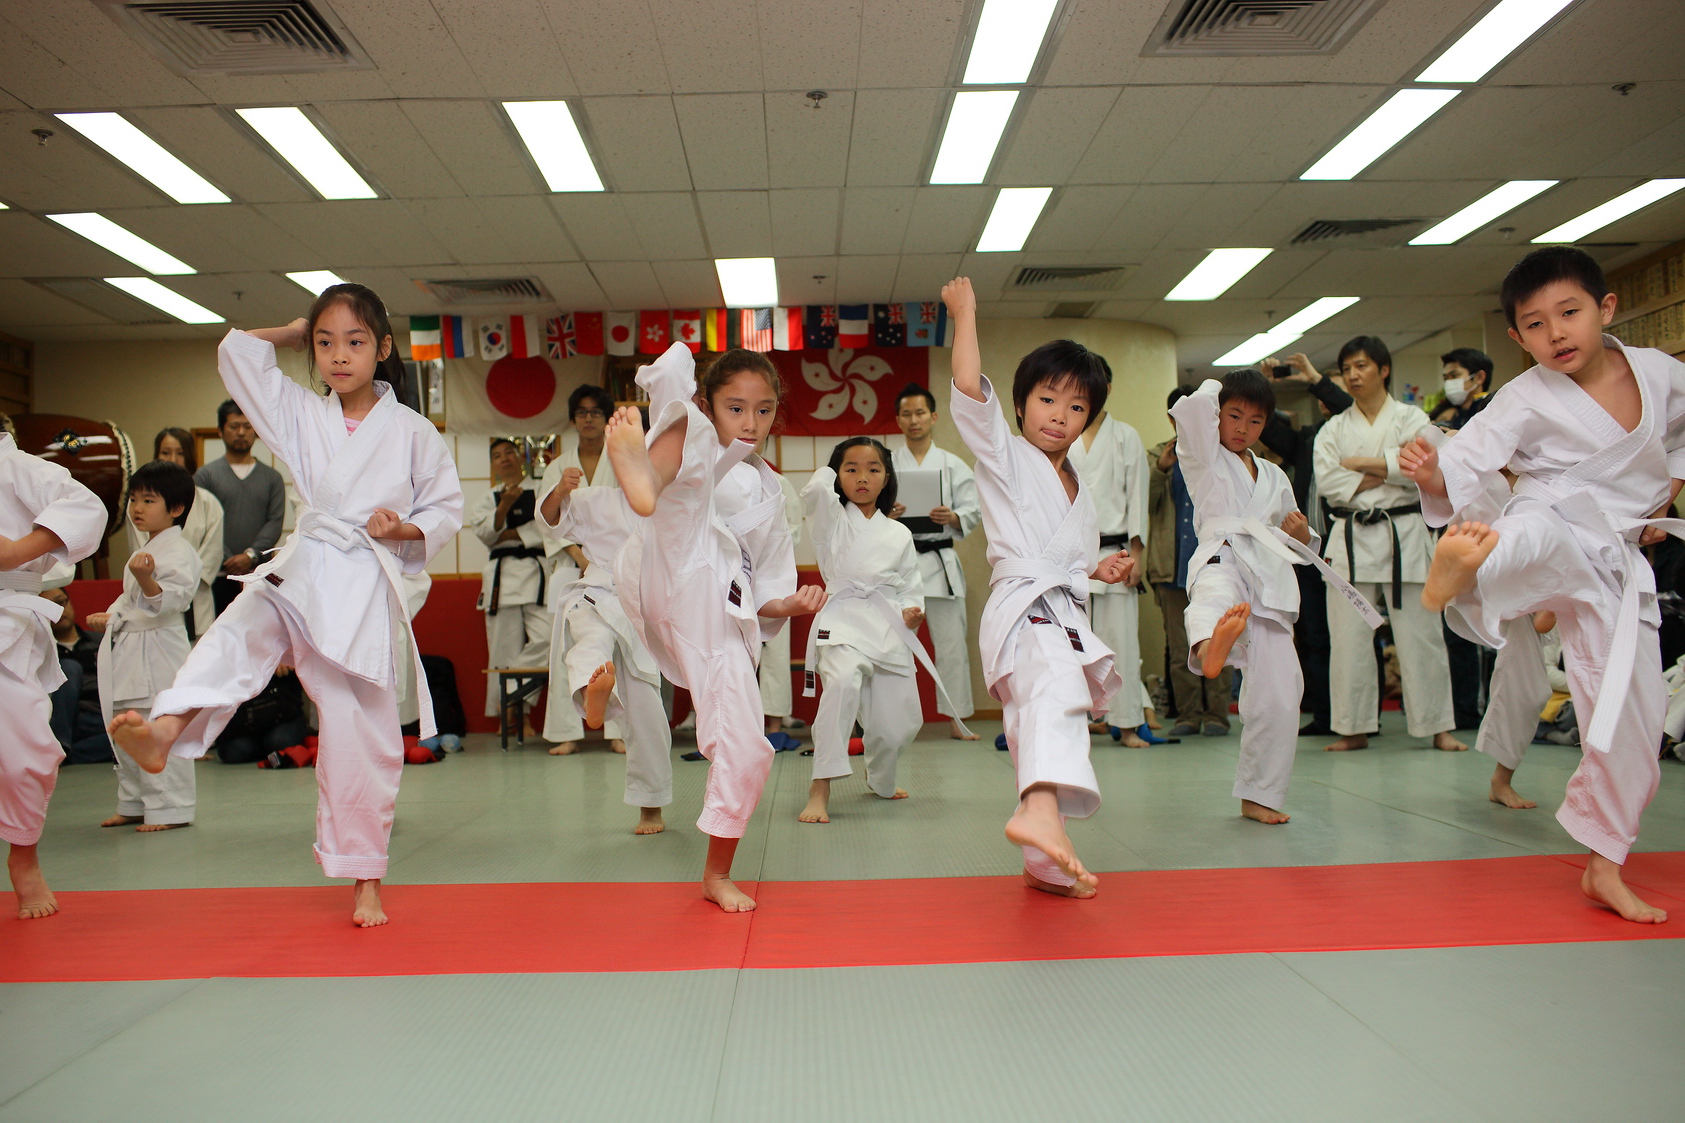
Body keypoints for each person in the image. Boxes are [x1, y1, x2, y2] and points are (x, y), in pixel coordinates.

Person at [109, 283, 464, 928]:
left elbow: (445, 509)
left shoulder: (413, 432)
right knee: (238, 629)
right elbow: (237, 354)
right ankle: (167, 728)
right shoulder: (300, 411)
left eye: (355, 342)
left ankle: (365, 877)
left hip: (361, 584)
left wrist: (402, 528)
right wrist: (289, 333)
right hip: (307, 563)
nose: (339, 355)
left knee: (361, 732)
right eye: (324, 343)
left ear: (383, 348)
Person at [1404, 245, 1682, 924]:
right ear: (1516, 337)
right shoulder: (1523, 396)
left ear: (1604, 308)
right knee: (1521, 537)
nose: (1555, 333)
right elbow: (1470, 456)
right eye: (1535, 324)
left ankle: (1603, 864)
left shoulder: (1660, 373)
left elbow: (1678, 440)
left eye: (1568, 312)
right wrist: (1433, 475)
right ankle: (1466, 570)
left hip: (1618, 560)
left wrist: (1663, 500)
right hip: (1554, 512)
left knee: (1634, 714)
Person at [606, 343, 823, 913]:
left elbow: (766, 586)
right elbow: (698, 445)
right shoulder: (700, 434)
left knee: (747, 747)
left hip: (714, 605)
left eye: (764, 410)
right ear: (713, 404)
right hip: (671, 558)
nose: (751, 423)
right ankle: (646, 473)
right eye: (736, 408)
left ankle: (716, 872)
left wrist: (790, 603)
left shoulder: (772, 490)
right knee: (693, 447)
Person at [943, 277, 1133, 899]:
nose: (1059, 415)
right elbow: (968, 388)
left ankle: (1044, 863)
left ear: (1088, 420)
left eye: (1076, 407)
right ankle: (1040, 812)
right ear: (1021, 405)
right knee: (1058, 692)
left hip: (1062, 608)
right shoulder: (1005, 454)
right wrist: (965, 313)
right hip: (1025, 608)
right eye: (1047, 399)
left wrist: (1094, 572)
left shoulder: (1078, 483)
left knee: (1036, 719)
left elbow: (1063, 558)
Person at [1174, 373, 1373, 824]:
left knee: (1283, 694)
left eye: (1255, 421)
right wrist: (1217, 384)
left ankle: (1258, 795)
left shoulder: (1274, 474)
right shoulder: (1203, 455)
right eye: (1233, 415)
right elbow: (1193, 411)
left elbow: (1299, 539)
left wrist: (1302, 534)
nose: (1242, 428)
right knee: (1213, 599)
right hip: (1224, 554)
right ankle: (1207, 650)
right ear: (1217, 415)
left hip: (1270, 576)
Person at [1314, 335, 1464, 753]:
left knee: (1422, 635)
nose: (1352, 375)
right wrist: (1392, 467)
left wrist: (1363, 464)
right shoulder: (1332, 429)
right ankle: (1353, 728)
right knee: (1348, 639)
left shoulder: (1411, 418)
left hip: (1404, 536)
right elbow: (1329, 484)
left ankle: (1438, 726)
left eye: (1361, 366)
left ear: (1383, 370)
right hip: (1352, 536)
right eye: (1347, 369)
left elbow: (1426, 466)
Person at [0, 411, 108, 918]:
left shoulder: (16, 466)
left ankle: (24, 855)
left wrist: (19, 551)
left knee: (27, 749)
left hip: (6, 616)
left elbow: (85, 506)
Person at [797, 439, 927, 824]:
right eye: (851, 469)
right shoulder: (830, 519)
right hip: (842, 621)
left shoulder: (898, 533)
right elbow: (815, 491)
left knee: (898, 725)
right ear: (838, 476)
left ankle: (880, 777)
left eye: (873, 469)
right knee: (841, 686)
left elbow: (910, 584)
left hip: (887, 624)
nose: (862, 478)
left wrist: (912, 611)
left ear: (887, 477)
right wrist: (831, 468)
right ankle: (820, 787)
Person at [539, 468, 673, 835]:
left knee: (646, 710)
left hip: (641, 610)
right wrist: (559, 491)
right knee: (591, 640)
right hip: (596, 592)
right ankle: (592, 695)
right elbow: (549, 521)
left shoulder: (674, 503)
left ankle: (651, 807)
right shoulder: (596, 499)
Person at [89, 461, 201, 832]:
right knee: (124, 724)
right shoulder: (148, 547)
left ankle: (170, 808)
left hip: (159, 648)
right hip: (130, 646)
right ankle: (133, 803)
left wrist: (146, 578)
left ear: (176, 508)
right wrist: (110, 615)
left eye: (149, 500)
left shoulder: (179, 551)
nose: (137, 508)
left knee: (154, 724)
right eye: (134, 499)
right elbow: (129, 601)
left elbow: (172, 601)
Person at [1257, 354, 1355, 737]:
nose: (1326, 398)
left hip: (1346, 546)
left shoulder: (1354, 432)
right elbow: (1269, 432)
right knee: (1315, 635)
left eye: (1333, 390)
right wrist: (1265, 389)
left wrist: (1315, 378)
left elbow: (1348, 408)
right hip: (1309, 550)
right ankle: (1325, 713)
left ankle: (1357, 715)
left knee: (1349, 635)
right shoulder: (1311, 437)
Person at [889, 383, 981, 740]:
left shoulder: (954, 465)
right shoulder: (886, 463)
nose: (914, 420)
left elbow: (973, 509)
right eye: (907, 414)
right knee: (894, 645)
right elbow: (869, 510)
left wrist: (953, 517)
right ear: (898, 420)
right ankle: (893, 720)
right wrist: (888, 514)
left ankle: (958, 718)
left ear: (934, 417)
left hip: (941, 562)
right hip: (901, 565)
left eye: (920, 413)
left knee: (952, 646)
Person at [1065, 364, 1151, 745]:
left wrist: (1138, 556)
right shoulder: (1064, 432)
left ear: (1108, 388)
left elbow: (1138, 499)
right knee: (1073, 643)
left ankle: (1127, 723)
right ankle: (1078, 721)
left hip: (1117, 552)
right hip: (1073, 555)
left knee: (1121, 643)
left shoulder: (1125, 436)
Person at [538, 386, 621, 753]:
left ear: (607, 419)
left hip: (616, 569)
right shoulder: (558, 466)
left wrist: (600, 561)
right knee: (565, 646)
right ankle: (566, 732)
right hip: (571, 568)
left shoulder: (622, 461)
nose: (589, 419)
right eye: (582, 412)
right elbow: (547, 522)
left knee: (620, 643)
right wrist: (580, 558)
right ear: (573, 420)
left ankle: (619, 731)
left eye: (596, 412)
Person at [1147, 388, 1232, 736]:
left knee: (1218, 641)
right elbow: (1143, 504)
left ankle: (1217, 715)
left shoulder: (1222, 453)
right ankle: (1188, 715)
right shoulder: (1158, 455)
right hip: (1172, 567)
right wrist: (1161, 470)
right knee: (1181, 648)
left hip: (1216, 566)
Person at [470, 438, 552, 724]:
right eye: (497, 455)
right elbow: (485, 535)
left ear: (521, 458)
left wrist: (507, 533)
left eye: (509, 453)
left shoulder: (540, 490)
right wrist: (503, 506)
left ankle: (512, 697)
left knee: (549, 639)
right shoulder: (487, 498)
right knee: (503, 649)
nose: (504, 458)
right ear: (492, 465)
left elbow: (550, 529)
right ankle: (513, 718)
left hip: (537, 575)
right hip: (502, 579)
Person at [196, 399, 285, 615]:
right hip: (216, 576)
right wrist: (228, 559)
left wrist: (250, 556)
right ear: (220, 431)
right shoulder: (205, 476)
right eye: (234, 426)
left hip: (259, 574)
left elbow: (274, 522)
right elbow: (201, 523)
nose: (241, 432)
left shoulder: (272, 478)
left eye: (248, 426)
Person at [145, 428, 224, 640]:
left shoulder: (208, 502)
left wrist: (184, 579)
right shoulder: (143, 503)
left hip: (197, 596)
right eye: (165, 452)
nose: (173, 459)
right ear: (156, 456)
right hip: (155, 592)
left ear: (189, 456)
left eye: (180, 453)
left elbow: (212, 553)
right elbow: (141, 552)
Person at [760, 462, 804, 748]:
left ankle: (775, 724)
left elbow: (794, 529)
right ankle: (728, 726)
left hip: (773, 575)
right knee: (727, 652)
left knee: (775, 652)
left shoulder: (778, 481)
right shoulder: (719, 476)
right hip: (728, 575)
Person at [1431, 347, 1496, 430]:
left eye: (1455, 375)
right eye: (1446, 378)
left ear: (1479, 377)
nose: (1449, 382)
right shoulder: (1447, 411)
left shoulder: (1490, 410)